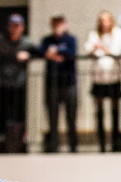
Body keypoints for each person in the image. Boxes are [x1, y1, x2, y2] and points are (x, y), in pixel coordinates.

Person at [0, 14, 39, 153]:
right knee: (1, 113)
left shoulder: (26, 42)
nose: (14, 29)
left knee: (18, 115)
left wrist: (29, 55)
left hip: (19, 85)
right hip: (3, 83)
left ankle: (17, 144)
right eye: (12, 26)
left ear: (22, 27)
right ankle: (0, 143)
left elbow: (39, 52)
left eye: (17, 26)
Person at [83, 11, 121, 153]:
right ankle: (102, 143)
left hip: (114, 77)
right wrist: (100, 49)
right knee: (99, 111)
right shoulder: (94, 34)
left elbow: (117, 51)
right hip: (99, 78)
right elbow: (89, 48)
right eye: (102, 20)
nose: (105, 23)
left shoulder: (118, 33)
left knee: (115, 111)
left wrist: (102, 48)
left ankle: (116, 142)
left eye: (107, 20)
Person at [40, 15, 80, 153]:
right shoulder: (47, 40)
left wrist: (55, 52)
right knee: (52, 116)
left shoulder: (70, 39)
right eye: (54, 25)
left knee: (71, 117)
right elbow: (40, 51)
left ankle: (73, 146)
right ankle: (53, 146)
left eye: (59, 24)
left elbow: (71, 53)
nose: (57, 28)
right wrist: (53, 55)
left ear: (64, 25)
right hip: (52, 84)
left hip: (69, 83)